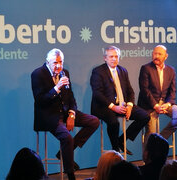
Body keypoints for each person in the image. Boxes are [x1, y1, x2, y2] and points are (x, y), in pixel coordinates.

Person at [31, 48, 100, 180]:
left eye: (60, 62)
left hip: (66, 112)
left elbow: (70, 97)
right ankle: (70, 174)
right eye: (55, 63)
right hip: (49, 115)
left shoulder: (64, 72)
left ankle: (63, 153)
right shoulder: (38, 74)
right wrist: (57, 88)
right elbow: (40, 100)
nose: (58, 66)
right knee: (67, 137)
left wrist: (72, 114)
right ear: (47, 62)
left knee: (94, 121)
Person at [90, 45, 150, 155]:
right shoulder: (98, 71)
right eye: (111, 56)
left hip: (122, 104)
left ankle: (121, 141)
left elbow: (130, 91)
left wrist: (130, 106)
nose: (114, 59)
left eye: (116, 56)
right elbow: (97, 94)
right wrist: (113, 107)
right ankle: (115, 150)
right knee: (114, 123)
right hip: (104, 106)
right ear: (105, 58)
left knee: (145, 116)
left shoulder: (123, 70)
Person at [138, 45, 177, 144]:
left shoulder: (171, 70)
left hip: (165, 103)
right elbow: (144, 90)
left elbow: (172, 91)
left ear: (166, 56)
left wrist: (168, 104)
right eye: (154, 53)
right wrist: (155, 106)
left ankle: (160, 138)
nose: (156, 56)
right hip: (150, 105)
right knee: (151, 132)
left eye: (159, 54)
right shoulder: (146, 68)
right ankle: (149, 156)